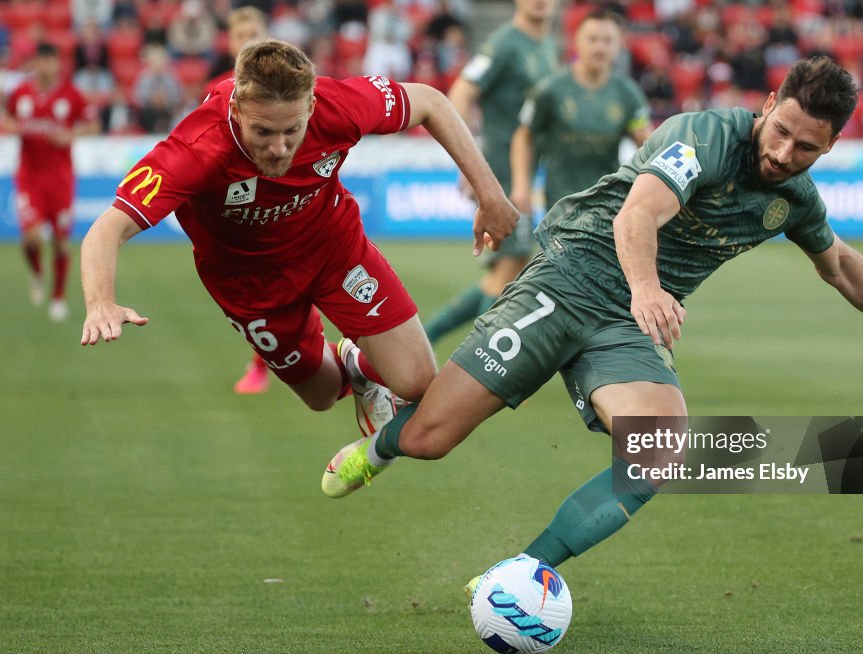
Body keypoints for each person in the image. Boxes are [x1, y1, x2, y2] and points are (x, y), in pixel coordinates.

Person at [321, 58, 863, 577]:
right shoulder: (704, 137)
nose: (784, 153)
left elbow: (840, 264)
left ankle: (523, 573)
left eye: (807, 147)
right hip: (571, 274)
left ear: (830, 146)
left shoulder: (794, 199)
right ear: (768, 105)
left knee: (658, 448)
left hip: (626, 322)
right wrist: (644, 286)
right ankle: (380, 440)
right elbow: (640, 212)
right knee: (431, 437)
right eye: (781, 131)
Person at [80, 40, 518, 437]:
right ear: (236, 111)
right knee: (322, 395)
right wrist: (101, 300)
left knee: (418, 383)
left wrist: (490, 195)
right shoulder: (197, 149)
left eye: (292, 130)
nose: (279, 148)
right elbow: (109, 226)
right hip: (249, 284)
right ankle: (352, 367)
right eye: (263, 132)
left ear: (311, 104)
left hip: (333, 249)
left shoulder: (339, 105)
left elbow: (430, 102)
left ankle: (367, 364)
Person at [423, 0, 558, 344]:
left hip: (521, 175)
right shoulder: (504, 43)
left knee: (503, 274)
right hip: (499, 175)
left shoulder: (545, 44)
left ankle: (423, 341)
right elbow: (460, 93)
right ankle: (478, 369)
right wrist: (468, 166)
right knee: (510, 271)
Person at [509, 8, 652, 220]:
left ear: (619, 45)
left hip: (609, 205)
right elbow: (523, 137)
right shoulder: (549, 90)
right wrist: (521, 186)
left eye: (607, 40)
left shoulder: (629, 93)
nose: (600, 47)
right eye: (592, 39)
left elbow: (646, 142)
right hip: (561, 204)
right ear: (577, 41)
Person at [202, 6, 275, 394]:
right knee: (256, 294)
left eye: (254, 33)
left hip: (283, 203)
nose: (248, 40)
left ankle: (260, 367)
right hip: (240, 206)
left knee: (292, 284)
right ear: (229, 43)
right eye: (240, 34)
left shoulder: (289, 88)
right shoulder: (215, 91)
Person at [3, 43, 100, 322]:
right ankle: (36, 271)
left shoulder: (71, 94)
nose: (48, 66)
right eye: (43, 60)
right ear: (35, 62)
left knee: (60, 241)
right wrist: (11, 125)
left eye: (52, 60)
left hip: (60, 179)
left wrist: (72, 135)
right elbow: (8, 117)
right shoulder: (21, 93)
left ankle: (57, 297)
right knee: (31, 238)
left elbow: (93, 125)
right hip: (29, 177)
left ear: (57, 63)